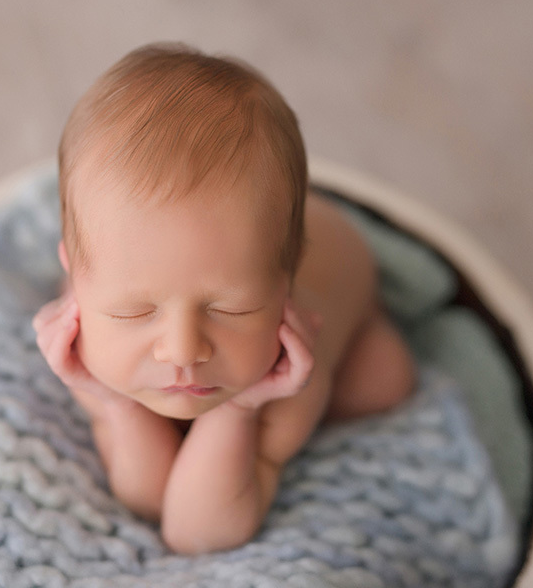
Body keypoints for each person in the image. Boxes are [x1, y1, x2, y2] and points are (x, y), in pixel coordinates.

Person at [33, 43, 415, 555]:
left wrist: (239, 409)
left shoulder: (293, 379)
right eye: (134, 312)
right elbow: (147, 499)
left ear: (285, 283)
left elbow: (196, 532)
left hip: (338, 261)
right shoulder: (85, 331)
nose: (183, 349)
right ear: (75, 275)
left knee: (383, 382)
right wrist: (113, 405)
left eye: (230, 309)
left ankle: (367, 318)